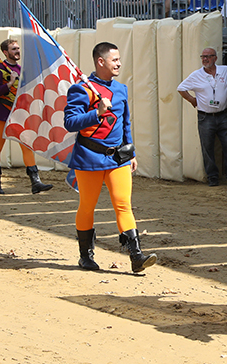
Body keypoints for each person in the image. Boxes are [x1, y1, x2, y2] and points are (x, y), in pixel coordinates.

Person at [64, 42, 157, 274]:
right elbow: (70, 123)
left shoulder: (121, 89)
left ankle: (136, 256)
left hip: (118, 158)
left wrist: (131, 151)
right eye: (115, 60)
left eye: (119, 60)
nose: (119, 64)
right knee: (87, 206)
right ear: (101, 62)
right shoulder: (81, 89)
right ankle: (86, 256)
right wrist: (97, 113)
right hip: (89, 157)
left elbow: (125, 122)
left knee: (123, 204)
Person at [0, 39, 53, 195]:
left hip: (19, 113)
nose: (17, 51)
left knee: (27, 146)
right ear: (5, 52)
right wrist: (10, 83)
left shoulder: (22, 69)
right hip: (1, 113)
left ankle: (35, 182)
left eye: (17, 48)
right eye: (13, 49)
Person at [177, 48, 227, 187]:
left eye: (208, 57)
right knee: (207, 148)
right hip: (205, 117)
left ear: (215, 58)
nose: (205, 59)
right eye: (203, 57)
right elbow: (181, 88)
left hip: (223, 115)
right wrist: (192, 100)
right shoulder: (196, 75)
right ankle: (212, 177)